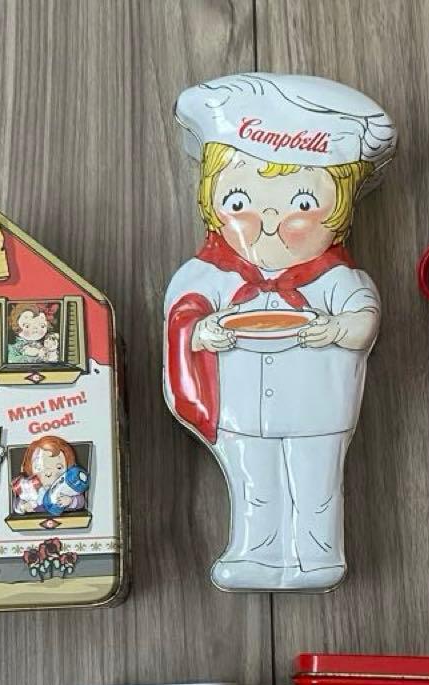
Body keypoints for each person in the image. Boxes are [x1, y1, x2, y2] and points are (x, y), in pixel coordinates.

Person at [164, 73, 396, 591]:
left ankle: (318, 556)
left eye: (303, 204)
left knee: (316, 486)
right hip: (243, 406)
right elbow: (183, 318)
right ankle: (257, 553)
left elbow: (364, 320)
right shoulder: (209, 274)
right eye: (240, 201)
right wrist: (203, 332)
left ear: (338, 214)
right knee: (256, 484)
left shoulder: (336, 277)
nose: (270, 219)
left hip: (317, 408)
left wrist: (337, 327)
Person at [11, 435, 88, 516]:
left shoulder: (66, 487)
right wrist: (23, 506)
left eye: (59, 467)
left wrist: (70, 501)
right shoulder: (31, 487)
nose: (48, 473)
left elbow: (81, 501)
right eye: (39, 467)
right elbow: (17, 502)